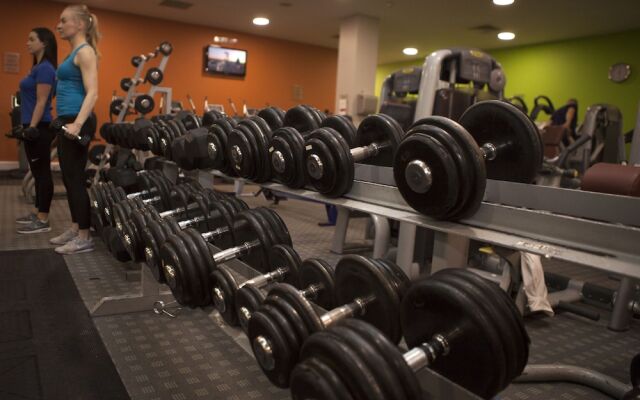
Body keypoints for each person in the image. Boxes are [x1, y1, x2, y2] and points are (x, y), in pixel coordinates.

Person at [49, 4, 100, 254]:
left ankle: (84, 237)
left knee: (76, 180)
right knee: (69, 179)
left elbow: (93, 92)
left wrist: (77, 124)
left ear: (79, 24)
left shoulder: (85, 52)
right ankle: (75, 226)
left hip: (77, 120)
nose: (58, 25)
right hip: (68, 118)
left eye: (63, 20)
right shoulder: (74, 53)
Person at [15, 28, 58, 234]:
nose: (27, 43)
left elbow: (42, 101)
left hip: (39, 126)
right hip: (31, 124)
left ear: (44, 43)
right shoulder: (37, 68)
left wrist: (32, 126)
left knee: (42, 173)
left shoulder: (46, 69)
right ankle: (38, 211)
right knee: (36, 172)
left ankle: (43, 219)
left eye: (32, 39)